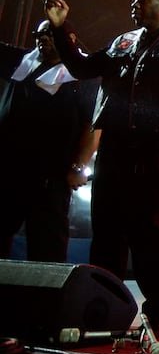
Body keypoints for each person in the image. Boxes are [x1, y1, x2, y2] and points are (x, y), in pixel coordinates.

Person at [45, 0, 159, 337]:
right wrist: (61, 28)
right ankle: (102, 304)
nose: (134, 4)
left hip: (150, 147)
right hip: (114, 145)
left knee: (147, 231)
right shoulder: (124, 41)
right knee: (106, 231)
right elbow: (83, 67)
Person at [0, 18, 99, 262]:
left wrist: (79, 166)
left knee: (46, 241)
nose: (42, 39)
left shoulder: (82, 75)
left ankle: (45, 296)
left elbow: (93, 125)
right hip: (9, 167)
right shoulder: (24, 61)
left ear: (70, 40)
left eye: (50, 34)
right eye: (39, 34)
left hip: (50, 173)